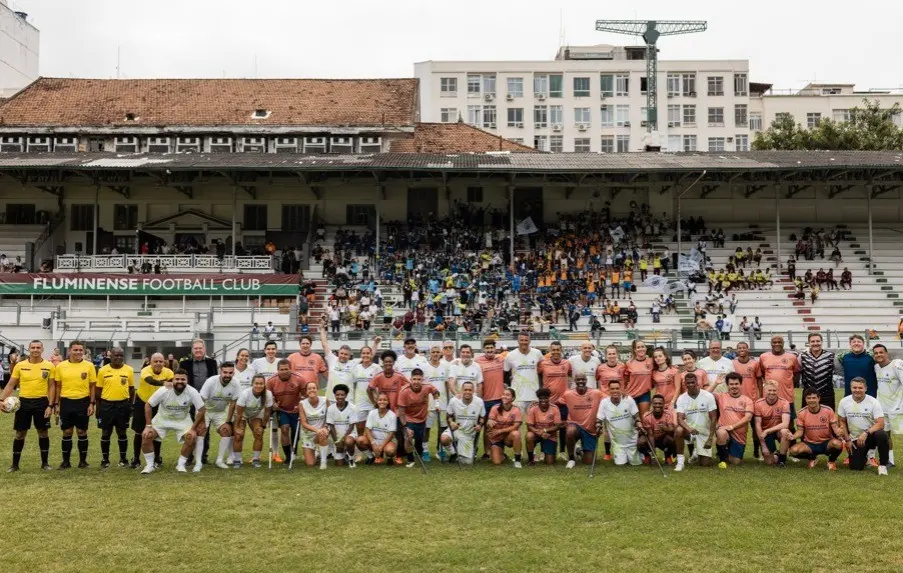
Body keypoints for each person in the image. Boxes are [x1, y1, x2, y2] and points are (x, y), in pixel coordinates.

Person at [0, 340, 55, 472]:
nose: (35, 350)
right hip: (23, 403)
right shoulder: (20, 365)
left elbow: (52, 386)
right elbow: (11, 384)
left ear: (42, 349)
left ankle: (45, 463)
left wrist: (50, 405)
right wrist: (1, 399)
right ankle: (15, 465)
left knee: (43, 432)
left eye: (38, 347)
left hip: (42, 402)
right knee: (20, 433)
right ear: (29, 349)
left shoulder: (49, 365)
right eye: (33, 347)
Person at [140, 369, 206, 474]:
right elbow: (148, 405)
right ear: (173, 380)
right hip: (162, 419)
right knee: (146, 435)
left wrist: (193, 428)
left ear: (187, 380)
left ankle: (181, 464)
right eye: (177, 379)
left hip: (182, 420)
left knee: (192, 436)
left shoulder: (192, 391)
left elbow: (202, 409)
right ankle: (150, 465)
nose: (180, 381)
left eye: (183, 379)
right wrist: (148, 426)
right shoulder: (164, 390)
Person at [54, 341, 97, 469]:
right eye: (75, 350)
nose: (78, 352)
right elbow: (58, 387)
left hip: (83, 402)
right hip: (66, 402)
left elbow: (92, 386)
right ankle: (65, 462)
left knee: (81, 431)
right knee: (67, 432)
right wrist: (57, 404)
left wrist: (91, 404)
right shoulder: (61, 366)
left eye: (80, 350)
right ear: (70, 351)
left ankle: (83, 462)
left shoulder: (89, 366)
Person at [836, 377, 890, 475]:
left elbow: (881, 424)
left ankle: (883, 465)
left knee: (882, 434)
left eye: (860, 388)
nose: (857, 390)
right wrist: (847, 440)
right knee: (855, 467)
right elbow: (842, 421)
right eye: (854, 387)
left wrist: (866, 433)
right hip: (855, 439)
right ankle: (865, 458)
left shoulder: (873, 402)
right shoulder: (844, 402)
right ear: (850, 388)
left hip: (871, 436)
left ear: (865, 388)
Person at [94, 347, 135, 469]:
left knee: (122, 432)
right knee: (106, 433)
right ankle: (105, 460)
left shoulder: (129, 370)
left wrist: (130, 406)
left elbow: (131, 389)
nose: (118, 357)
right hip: (106, 405)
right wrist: (98, 409)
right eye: (116, 355)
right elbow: (98, 391)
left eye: (121, 355)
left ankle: (123, 459)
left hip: (123, 405)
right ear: (110, 356)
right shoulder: (102, 370)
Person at [131, 353, 173, 468]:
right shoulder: (145, 370)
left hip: (158, 404)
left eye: (161, 361)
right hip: (142, 402)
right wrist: (164, 383)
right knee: (139, 431)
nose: (158, 363)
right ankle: (136, 459)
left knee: (157, 431)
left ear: (164, 362)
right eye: (155, 361)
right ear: (150, 362)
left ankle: (157, 458)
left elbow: (172, 383)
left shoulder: (169, 372)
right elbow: (150, 380)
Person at [367, 350, 409, 464]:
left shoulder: (399, 376)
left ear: (393, 362)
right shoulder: (378, 376)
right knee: (380, 433)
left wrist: (402, 403)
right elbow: (369, 389)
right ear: (383, 362)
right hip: (383, 410)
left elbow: (408, 387)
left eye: (390, 361)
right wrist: (374, 402)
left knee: (399, 434)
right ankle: (379, 455)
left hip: (396, 411)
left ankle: (398, 455)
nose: (388, 364)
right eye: (386, 361)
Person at [786, 388, 844, 470]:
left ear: (819, 398)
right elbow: (800, 431)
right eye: (809, 398)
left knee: (838, 444)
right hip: (810, 444)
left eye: (814, 398)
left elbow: (835, 428)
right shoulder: (801, 413)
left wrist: (838, 432)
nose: (811, 400)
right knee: (793, 451)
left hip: (826, 442)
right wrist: (793, 437)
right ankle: (812, 458)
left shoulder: (828, 410)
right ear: (805, 399)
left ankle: (831, 461)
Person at [199, 362, 241, 469]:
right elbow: (201, 401)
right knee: (201, 431)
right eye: (225, 372)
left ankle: (219, 460)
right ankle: (198, 462)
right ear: (220, 372)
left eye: (230, 373)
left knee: (226, 430)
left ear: (233, 373)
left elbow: (233, 403)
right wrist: (201, 419)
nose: (227, 375)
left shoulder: (236, 383)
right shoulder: (211, 381)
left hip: (221, 412)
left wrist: (228, 421)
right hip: (206, 410)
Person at [397, 368, 440, 468]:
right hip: (409, 418)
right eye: (414, 379)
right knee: (408, 437)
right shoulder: (404, 391)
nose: (416, 382)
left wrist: (437, 404)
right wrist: (405, 427)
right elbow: (401, 412)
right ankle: (410, 459)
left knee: (419, 440)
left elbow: (436, 392)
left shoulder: (427, 386)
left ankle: (419, 455)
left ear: (422, 380)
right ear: (410, 379)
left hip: (422, 419)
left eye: (419, 379)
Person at [674, 373, 717, 471]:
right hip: (689, 430)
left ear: (697, 382)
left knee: (705, 464)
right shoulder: (681, 398)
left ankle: (696, 452)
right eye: (688, 383)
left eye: (692, 382)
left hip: (704, 432)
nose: (690, 385)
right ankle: (680, 462)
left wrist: (710, 438)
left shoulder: (708, 396)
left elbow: (714, 418)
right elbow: (679, 418)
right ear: (684, 383)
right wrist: (689, 429)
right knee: (679, 430)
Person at [266, 359, 304, 466]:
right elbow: (268, 397)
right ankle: (288, 457)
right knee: (284, 429)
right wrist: (273, 404)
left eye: (286, 369)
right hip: (282, 410)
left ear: (290, 369)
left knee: (296, 432)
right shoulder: (271, 381)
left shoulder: (299, 378)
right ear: (277, 370)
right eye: (281, 369)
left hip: (295, 410)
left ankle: (294, 452)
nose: (284, 371)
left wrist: (300, 405)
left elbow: (306, 394)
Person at [420, 344, 455, 462]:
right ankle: (425, 451)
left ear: (440, 353)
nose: (435, 354)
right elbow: (423, 386)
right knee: (427, 428)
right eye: (433, 352)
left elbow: (446, 384)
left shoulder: (445, 366)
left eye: (437, 352)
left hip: (443, 403)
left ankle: (440, 450)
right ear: (430, 353)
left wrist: (448, 401)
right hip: (429, 404)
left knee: (442, 428)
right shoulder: (424, 367)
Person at [596, 379, 642, 466]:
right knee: (620, 464)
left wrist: (638, 423)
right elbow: (599, 419)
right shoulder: (604, 403)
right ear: (608, 390)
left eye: (617, 388)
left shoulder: (628, 399)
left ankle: (640, 454)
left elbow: (636, 416)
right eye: (612, 389)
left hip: (632, 441)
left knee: (636, 463)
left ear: (621, 389)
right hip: (618, 444)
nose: (615, 391)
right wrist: (598, 426)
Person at [232, 374, 273, 468]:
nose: (259, 386)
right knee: (238, 435)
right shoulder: (245, 394)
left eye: (261, 383)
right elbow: (239, 414)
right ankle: (237, 460)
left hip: (256, 415)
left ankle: (256, 459)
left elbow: (267, 412)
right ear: (252, 384)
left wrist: (263, 425)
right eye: (256, 383)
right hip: (242, 415)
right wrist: (236, 428)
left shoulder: (268, 394)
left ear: (264, 384)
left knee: (259, 432)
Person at [538, 341, 571, 456]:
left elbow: (571, 376)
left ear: (561, 350)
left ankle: (562, 451)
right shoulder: (543, 364)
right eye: (554, 350)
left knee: (563, 426)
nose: (556, 352)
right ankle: (543, 451)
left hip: (563, 401)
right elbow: (538, 376)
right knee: (545, 426)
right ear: (550, 350)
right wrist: (541, 393)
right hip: (548, 402)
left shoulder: (567, 363)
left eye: (558, 349)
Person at [713, 373, 754, 468]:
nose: (734, 386)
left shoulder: (747, 400)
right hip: (725, 432)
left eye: (736, 384)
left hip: (739, 436)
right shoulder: (721, 397)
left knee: (736, 462)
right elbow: (704, 394)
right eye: (731, 384)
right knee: (721, 433)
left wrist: (731, 427)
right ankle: (722, 460)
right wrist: (716, 383)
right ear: (727, 385)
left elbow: (748, 418)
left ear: (740, 384)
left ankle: (723, 451)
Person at [756, 336, 800, 422]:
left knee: (789, 422)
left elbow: (797, 373)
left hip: (787, 395)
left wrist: (790, 384)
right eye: (774, 342)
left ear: (783, 343)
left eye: (779, 342)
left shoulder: (792, 357)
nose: (777, 344)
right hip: (769, 396)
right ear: (771, 344)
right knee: (769, 420)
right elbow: (762, 372)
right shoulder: (763, 356)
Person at [562, 376, 603, 468]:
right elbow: (556, 402)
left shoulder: (596, 393)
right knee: (570, 431)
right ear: (575, 381)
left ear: (586, 380)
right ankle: (571, 459)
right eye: (578, 379)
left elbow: (608, 400)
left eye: (583, 379)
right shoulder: (568, 394)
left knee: (589, 461)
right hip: (575, 426)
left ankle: (579, 451)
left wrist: (621, 394)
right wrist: (537, 402)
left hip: (590, 430)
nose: (581, 381)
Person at [441, 381, 485, 465]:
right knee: (444, 439)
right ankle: (454, 453)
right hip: (456, 430)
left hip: (468, 434)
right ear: (461, 390)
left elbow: (482, 417)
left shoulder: (479, 402)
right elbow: (448, 415)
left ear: (473, 391)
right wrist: (451, 423)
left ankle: (467, 450)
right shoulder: (454, 400)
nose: (467, 392)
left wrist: (480, 425)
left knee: (467, 462)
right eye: (465, 390)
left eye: (470, 390)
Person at [873, 344, 903, 467]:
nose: (879, 355)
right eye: (876, 353)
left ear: (886, 353)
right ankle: (890, 460)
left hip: (898, 408)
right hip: (883, 408)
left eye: (881, 352)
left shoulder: (897, 365)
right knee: (885, 435)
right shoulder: (876, 367)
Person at [594, 344, 625, 460]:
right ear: (606, 355)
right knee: (607, 428)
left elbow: (626, 381)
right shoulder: (600, 368)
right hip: (606, 401)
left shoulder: (623, 367)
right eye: (609, 354)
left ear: (617, 354)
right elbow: (596, 380)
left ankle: (621, 449)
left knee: (620, 426)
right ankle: (607, 453)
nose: (612, 356)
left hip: (620, 400)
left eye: (614, 353)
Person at [476, 339, 505, 458]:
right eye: (487, 348)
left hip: (500, 399)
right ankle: (487, 452)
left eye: (491, 348)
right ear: (484, 349)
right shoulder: (478, 361)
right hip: (485, 400)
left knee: (499, 426)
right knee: (486, 426)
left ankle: (500, 451)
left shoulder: (501, 359)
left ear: (495, 349)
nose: (489, 350)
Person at [503, 332, 543, 414]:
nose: (524, 342)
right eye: (521, 340)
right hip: (517, 396)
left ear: (529, 341)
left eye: (526, 340)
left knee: (532, 420)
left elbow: (542, 370)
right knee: (518, 420)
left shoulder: (537, 353)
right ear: (518, 341)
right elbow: (505, 372)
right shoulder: (510, 355)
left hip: (534, 395)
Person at [754, 380, 791, 466]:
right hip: (765, 434)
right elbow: (758, 425)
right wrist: (763, 445)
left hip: (778, 431)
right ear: (764, 391)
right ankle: (777, 454)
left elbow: (785, 424)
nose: (772, 392)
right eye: (769, 390)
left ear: (778, 391)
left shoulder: (784, 403)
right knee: (769, 462)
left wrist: (768, 430)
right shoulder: (758, 404)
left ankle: (782, 461)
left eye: (774, 390)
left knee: (785, 432)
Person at [351, 345, 382, 445]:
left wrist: (378, 400)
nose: (365, 355)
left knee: (374, 427)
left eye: (368, 353)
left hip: (373, 402)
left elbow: (380, 385)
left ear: (371, 354)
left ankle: (373, 448)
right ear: (361, 355)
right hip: (360, 402)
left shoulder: (377, 368)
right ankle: (363, 449)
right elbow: (353, 384)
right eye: (363, 353)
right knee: (360, 427)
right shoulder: (356, 368)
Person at [798, 333, 837, 411]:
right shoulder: (802, 356)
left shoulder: (831, 356)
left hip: (826, 395)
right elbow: (797, 369)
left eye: (818, 341)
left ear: (822, 342)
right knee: (807, 417)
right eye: (812, 341)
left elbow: (839, 371)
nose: (815, 343)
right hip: (808, 395)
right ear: (809, 343)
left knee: (828, 417)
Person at [487, 387, 523, 468]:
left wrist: (500, 431)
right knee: (497, 462)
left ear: (513, 398)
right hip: (496, 438)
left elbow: (516, 426)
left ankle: (517, 460)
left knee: (516, 434)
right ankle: (502, 455)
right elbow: (489, 423)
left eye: (507, 395)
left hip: (508, 437)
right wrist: (489, 423)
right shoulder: (495, 408)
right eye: (503, 394)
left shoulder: (516, 410)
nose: (504, 396)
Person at [525, 387, 563, 466]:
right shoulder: (533, 409)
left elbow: (558, 426)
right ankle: (531, 460)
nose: (543, 400)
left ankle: (550, 452)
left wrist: (544, 431)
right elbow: (529, 426)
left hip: (549, 435)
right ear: (538, 399)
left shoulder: (555, 409)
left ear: (549, 398)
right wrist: (540, 433)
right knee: (529, 436)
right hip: (536, 434)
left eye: (545, 398)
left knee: (550, 462)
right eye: (541, 398)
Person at [358, 392, 398, 464]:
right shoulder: (372, 413)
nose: (382, 402)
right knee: (360, 440)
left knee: (391, 451)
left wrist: (381, 447)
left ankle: (389, 458)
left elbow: (391, 434)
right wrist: (373, 443)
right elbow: (368, 429)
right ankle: (370, 456)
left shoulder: (392, 415)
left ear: (388, 402)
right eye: (380, 400)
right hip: (374, 440)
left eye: (385, 400)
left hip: (387, 441)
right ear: (376, 401)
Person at [298, 381, 329, 469]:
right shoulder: (302, 403)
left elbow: (329, 417)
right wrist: (316, 430)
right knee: (310, 464)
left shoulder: (325, 400)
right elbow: (304, 423)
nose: (312, 390)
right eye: (309, 389)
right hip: (308, 434)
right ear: (306, 391)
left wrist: (324, 427)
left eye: (314, 388)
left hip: (321, 431)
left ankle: (323, 462)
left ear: (317, 389)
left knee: (322, 433)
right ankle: (316, 452)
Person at [326, 384, 358, 467]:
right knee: (339, 464)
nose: (340, 397)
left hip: (349, 435)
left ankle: (351, 458)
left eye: (342, 395)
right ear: (334, 395)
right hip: (337, 437)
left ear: (346, 395)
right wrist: (337, 442)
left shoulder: (353, 407)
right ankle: (345, 453)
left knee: (348, 442)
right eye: (337, 395)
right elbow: (331, 426)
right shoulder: (330, 408)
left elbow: (351, 426)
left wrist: (343, 441)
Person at [639, 394, 677, 464]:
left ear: (664, 404)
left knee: (672, 439)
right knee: (641, 441)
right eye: (655, 403)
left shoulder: (668, 414)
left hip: (663, 439)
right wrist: (654, 455)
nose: (657, 405)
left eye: (660, 403)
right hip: (651, 439)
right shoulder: (646, 416)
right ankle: (647, 455)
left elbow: (672, 429)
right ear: (652, 404)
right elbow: (650, 435)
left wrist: (666, 428)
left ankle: (668, 456)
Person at [623, 340, 653, 416]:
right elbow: (625, 379)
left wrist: (672, 366)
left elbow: (662, 364)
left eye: (643, 347)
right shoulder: (629, 363)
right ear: (635, 350)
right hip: (631, 394)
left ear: (646, 348)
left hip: (645, 394)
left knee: (644, 418)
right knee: (633, 419)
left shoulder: (651, 361)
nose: (641, 349)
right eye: (638, 347)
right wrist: (624, 392)